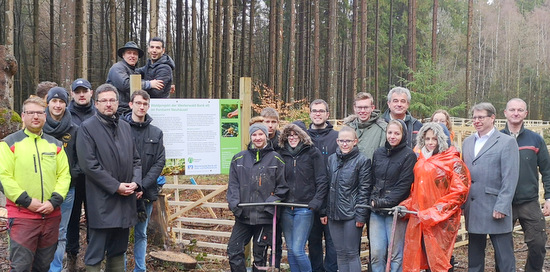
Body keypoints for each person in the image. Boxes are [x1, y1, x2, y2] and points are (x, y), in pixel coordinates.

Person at [76, 83, 142, 271]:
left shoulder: (125, 127)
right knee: (96, 251)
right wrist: (116, 186)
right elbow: (89, 165)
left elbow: (136, 159)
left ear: (117, 102)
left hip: (126, 200)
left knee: (118, 250)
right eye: (104, 101)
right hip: (102, 201)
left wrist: (135, 183)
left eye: (112, 100)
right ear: (96, 104)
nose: (108, 104)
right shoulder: (87, 128)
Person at [0, 97, 71, 271]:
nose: (36, 116)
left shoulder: (56, 145)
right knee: (21, 267)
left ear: (45, 116)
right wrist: (27, 201)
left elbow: (64, 175)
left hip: (51, 216)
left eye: (39, 113)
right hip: (22, 216)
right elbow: (4, 177)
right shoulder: (8, 144)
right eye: (31, 112)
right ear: (23, 116)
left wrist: (53, 201)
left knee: (43, 266)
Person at [400, 123, 471, 272]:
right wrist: (406, 206)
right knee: (425, 259)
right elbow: (416, 192)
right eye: (427, 138)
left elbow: (459, 193)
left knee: (440, 260)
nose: (430, 142)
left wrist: (436, 212)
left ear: (442, 140)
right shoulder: (420, 161)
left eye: (435, 138)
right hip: (420, 218)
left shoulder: (453, 161)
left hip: (442, 221)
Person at [462, 102, 519, 272]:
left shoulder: (506, 142)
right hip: (473, 208)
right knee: (475, 260)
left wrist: (502, 206)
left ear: (492, 118)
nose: (477, 121)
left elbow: (510, 178)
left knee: (504, 259)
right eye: (474, 118)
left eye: (481, 117)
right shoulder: (467, 142)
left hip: (495, 208)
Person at [226, 123, 288, 272]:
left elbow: (283, 187)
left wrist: (270, 204)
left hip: (264, 217)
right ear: (251, 136)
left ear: (266, 135)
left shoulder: (276, 159)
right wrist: (235, 204)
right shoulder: (238, 159)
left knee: (259, 257)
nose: (258, 138)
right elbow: (233, 185)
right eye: (254, 135)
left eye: (261, 134)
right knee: (233, 250)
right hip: (243, 215)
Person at [501, 98, 550, 272]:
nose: (516, 113)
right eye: (512, 110)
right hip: (503, 203)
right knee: (502, 247)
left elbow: (547, 170)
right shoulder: (497, 139)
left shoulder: (535, 140)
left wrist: (549, 198)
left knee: (538, 243)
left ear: (525, 114)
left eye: (520, 110)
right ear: (505, 113)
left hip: (529, 201)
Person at [122, 90, 166, 272]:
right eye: (138, 103)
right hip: (123, 191)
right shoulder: (120, 128)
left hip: (146, 192)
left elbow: (159, 161)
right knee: (122, 234)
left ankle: (140, 269)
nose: (142, 107)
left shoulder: (156, 132)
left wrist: (143, 185)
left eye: (145, 104)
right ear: (131, 104)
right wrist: (130, 186)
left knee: (141, 233)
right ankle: (120, 268)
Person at [278, 121, 328, 272]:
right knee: (291, 250)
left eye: (296, 135)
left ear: (302, 136)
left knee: (298, 249)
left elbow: (322, 180)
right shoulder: (281, 154)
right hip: (286, 207)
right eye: (289, 135)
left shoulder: (313, 153)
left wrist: (316, 201)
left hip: (305, 208)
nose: (292, 138)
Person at [368, 119, 416, 272]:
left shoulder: (409, 155)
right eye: (390, 132)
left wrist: (383, 202)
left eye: (397, 133)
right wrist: (372, 199)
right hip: (376, 211)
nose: (392, 136)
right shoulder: (379, 153)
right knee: (376, 253)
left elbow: (404, 186)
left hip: (395, 211)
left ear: (403, 135)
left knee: (394, 254)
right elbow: (372, 179)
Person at [324, 126, 370, 272]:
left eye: (348, 141)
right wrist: (324, 211)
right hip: (333, 213)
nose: (345, 144)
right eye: (342, 141)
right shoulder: (331, 160)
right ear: (337, 141)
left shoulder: (362, 161)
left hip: (352, 213)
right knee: (340, 253)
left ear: (355, 141)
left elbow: (364, 189)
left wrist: (361, 214)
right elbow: (327, 187)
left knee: (351, 253)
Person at [43, 87, 80, 272]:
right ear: (47, 102)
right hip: (40, 189)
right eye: (54, 101)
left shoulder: (74, 130)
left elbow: (80, 158)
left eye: (61, 102)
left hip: (67, 190)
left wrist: (72, 175)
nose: (57, 105)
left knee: (61, 232)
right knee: (40, 231)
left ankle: (55, 268)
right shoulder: (38, 126)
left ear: (66, 104)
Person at [66, 78, 95, 271]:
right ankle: (72, 257)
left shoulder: (99, 112)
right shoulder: (66, 115)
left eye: (85, 91)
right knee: (72, 220)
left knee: (94, 218)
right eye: (78, 91)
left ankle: (93, 258)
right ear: (72, 94)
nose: (82, 94)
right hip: (73, 178)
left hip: (94, 178)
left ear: (91, 93)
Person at [307, 99, 339, 272]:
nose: (317, 113)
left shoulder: (337, 137)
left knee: (332, 243)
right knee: (313, 242)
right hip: (310, 200)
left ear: (327, 114)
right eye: (314, 110)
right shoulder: (303, 137)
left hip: (333, 199)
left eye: (321, 111)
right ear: (310, 113)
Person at [106, 41, 164, 114]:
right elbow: (126, 85)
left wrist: (165, 84)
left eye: (135, 53)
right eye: (129, 53)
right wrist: (149, 84)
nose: (132, 56)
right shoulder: (117, 68)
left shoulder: (133, 71)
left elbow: (147, 72)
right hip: (118, 111)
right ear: (123, 55)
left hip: (128, 110)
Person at [344, 92, 387, 160]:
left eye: (366, 107)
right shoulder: (348, 128)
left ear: (372, 108)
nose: (362, 111)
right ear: (354, 108)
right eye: (359, 107)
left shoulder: (382, 129)